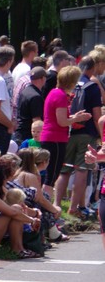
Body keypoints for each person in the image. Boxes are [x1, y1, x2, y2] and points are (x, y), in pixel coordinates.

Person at [55, 56, 103, 216]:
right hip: (87, 133)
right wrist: (101, 136)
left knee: (65, 170)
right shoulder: (92, 87)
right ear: (92, 68)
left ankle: (57, 205)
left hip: (69, 131)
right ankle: (74, 208)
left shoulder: (71, 84)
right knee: (82, 169)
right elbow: (97, 116)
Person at [40, 66, 91, 199]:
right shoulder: (61, 96)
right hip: (55, 139)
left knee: (50, 175)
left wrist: (74, 116)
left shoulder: (54, 92)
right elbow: (62, 122)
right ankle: (45, 205)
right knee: (51, 176)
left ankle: (45, 204)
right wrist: (77, 119)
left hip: (51, 137)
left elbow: (59, 118)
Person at [14, 66, 47, 146]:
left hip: (20, 133)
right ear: (43, 79)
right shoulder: (36, 96)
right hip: (29, 137)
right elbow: (36, 120)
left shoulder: (25, 91)